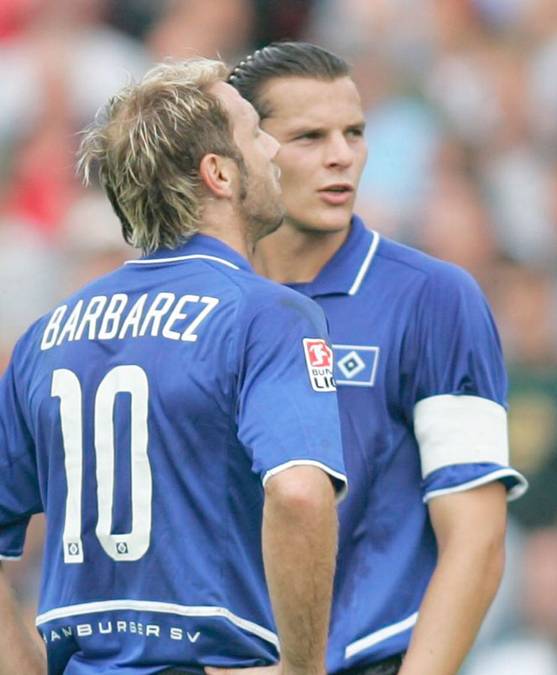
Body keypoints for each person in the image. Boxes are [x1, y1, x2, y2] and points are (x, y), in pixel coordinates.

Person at [0, 58, 346, 674]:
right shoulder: (268, 315)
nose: (272, 148)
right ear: (218, 173)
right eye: (253, 131)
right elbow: (297, 495)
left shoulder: (44, 337)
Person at [227, 42, 527, 675]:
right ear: (241, 154)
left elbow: (477, 540)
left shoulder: (435, 299)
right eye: (309, 137)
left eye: (355, 132)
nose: (342, 156)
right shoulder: (203, 302)